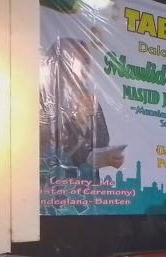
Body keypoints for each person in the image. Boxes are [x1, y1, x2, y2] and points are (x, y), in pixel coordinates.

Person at [39, 37, 124, 181]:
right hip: (52, 186)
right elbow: (38, 141)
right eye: (78, 62)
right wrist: (74, 117)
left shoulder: (89, 100)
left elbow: (102, 143)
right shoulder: (42, 97)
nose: (84, 68)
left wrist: (110, 158)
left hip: (86, 187)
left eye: (86, 62)